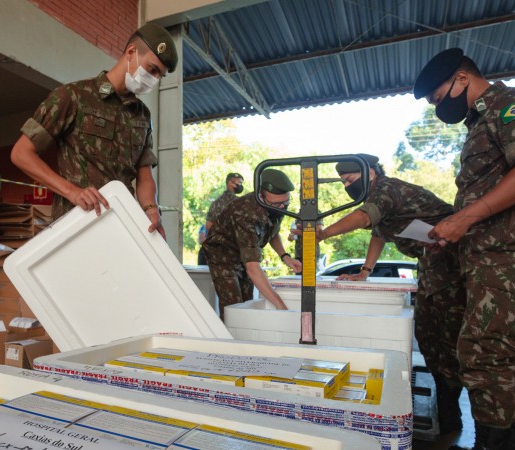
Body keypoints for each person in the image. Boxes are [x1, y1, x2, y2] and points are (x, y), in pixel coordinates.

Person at [414, 48, 515, 449]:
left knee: (479, 348)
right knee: (509, 351)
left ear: (462, 79)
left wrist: (464, 218)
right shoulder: (478, 124)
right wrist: (456, 230)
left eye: (439, 97)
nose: (438, 106)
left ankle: (491, 444)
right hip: (486, 252)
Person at [315, 153, 467, 437]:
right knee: (428, 334)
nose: (347, 186)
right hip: (432, 260)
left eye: (350, 179)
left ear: (371, 173)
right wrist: (365, 271)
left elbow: (364, 218)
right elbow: (378, 233)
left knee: (446, 337)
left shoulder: (387, 189)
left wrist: (322, 234)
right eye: (343, 182)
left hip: (453, 258)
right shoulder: (376, 195)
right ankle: (446, 403)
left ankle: (451, 412)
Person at [9, 23, 178, 239]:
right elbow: (21, 154)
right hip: (76, 225)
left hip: (121, 227)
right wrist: (72, 191)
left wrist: (150, 209)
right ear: (131, 52)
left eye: (159, 76)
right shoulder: (73, 96)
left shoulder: (143, 115)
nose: (153, 79)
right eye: (152, 69)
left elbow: (144, 174)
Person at [202, 169, 301, 320]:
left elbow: (272, 232)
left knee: (248, 304)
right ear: (261, 196)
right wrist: (282, 308)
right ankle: (229, 341)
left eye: (285, 203)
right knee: (234, 308)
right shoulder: (245, 213)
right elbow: (253, 268)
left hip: (244, 254)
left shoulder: (275, 207)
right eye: (277, 204)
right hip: (222, 255)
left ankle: (245, 339)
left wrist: (285, 257)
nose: (281, 208)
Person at [198, 172, 244, 265]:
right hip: (233, 250)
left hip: (215, 247)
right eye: (239, 183)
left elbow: (208, 226)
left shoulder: (216, 202)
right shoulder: (240, 203)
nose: (240, 186)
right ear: (230, 183)